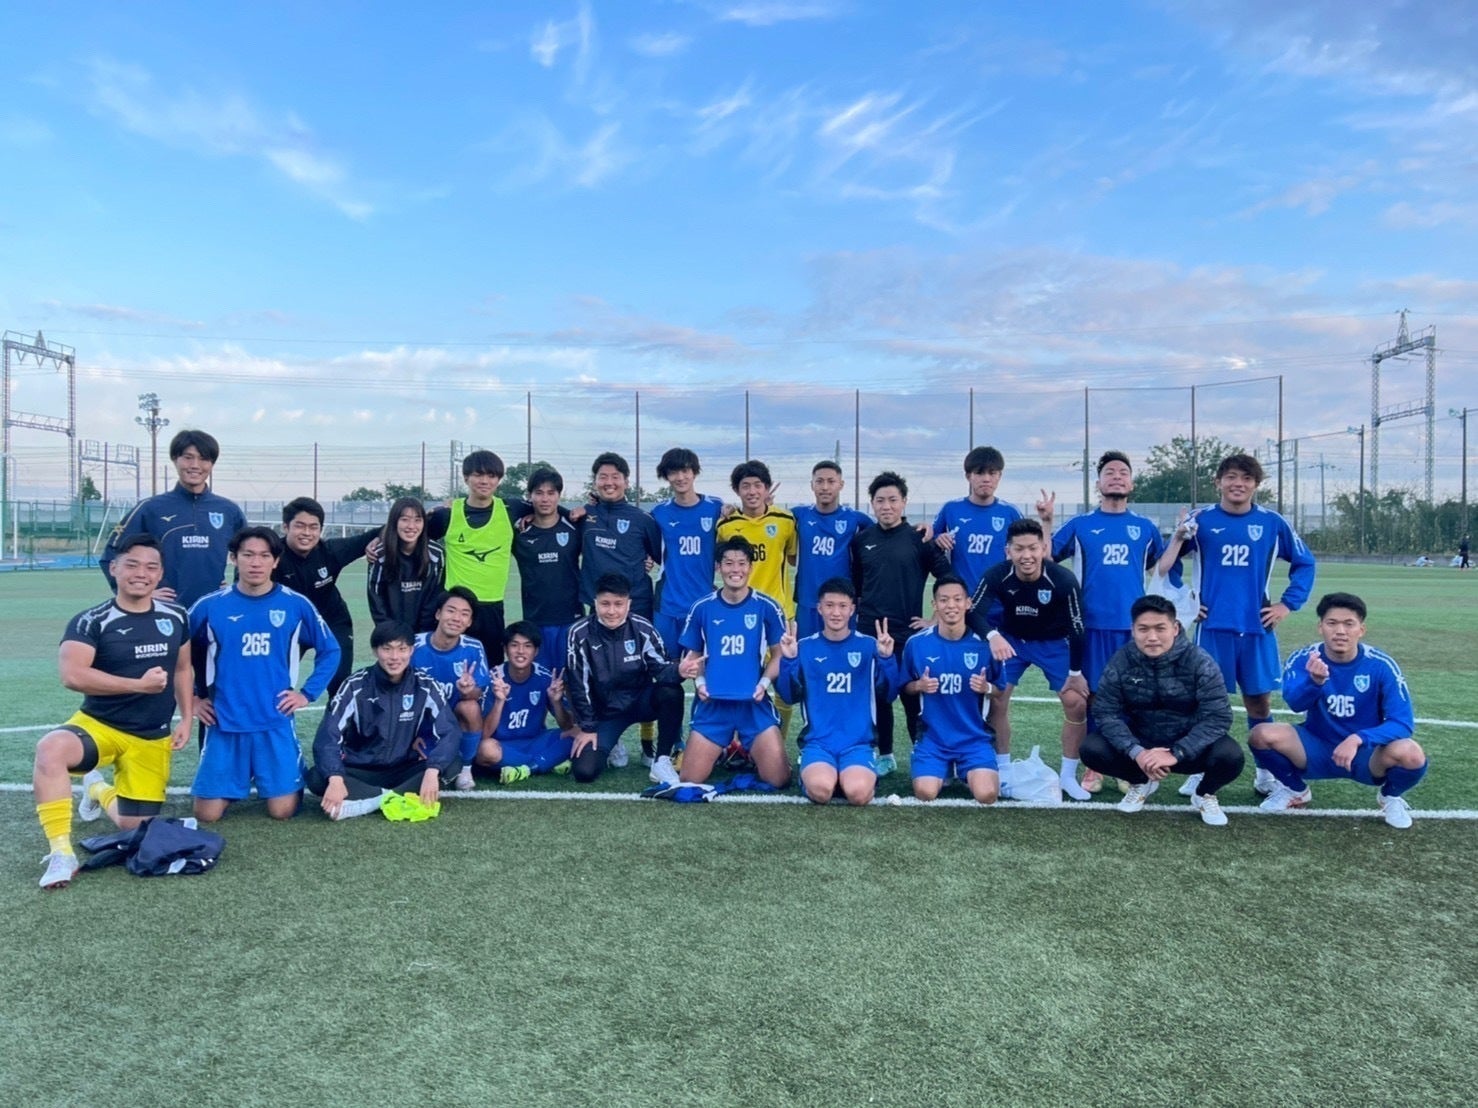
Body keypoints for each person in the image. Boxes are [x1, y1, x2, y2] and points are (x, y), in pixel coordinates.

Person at [32, 536, 192, 889]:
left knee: (135, 827)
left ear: (160, 574)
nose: (141, 573)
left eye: (151, 567)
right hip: (100, 725)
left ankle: (97, 789)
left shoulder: (176, 615)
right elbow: (72, 675)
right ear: (114, 568)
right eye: (132, 565)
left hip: (151, 734)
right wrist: (138, 685)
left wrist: (186, 717)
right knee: (50, 749)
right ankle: (61, 852)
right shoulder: (91, 620)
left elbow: (183, 668)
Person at [1157, 452, 1316, 798]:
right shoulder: (1200, 521)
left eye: (1246, 478)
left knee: (1259, 704)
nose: (1238, 484)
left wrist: (1287, 604)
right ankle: (1200, 769)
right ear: (1218, 482)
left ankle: (1265, 772)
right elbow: (1167, 565)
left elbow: (1305, 563)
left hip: (1256, 629)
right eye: (1230, 477)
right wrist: (1186, 602)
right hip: (1211, 629)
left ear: (1256, 485)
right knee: (1203, 704)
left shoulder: (1272, 523)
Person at [188, 526, 341, 823]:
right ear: (234, 558)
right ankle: (239, 776)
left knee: (282, 812)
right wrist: (193, 699)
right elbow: (176, 654)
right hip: (225, 721)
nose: (256, 563)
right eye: (248, 555)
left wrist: (306, 693)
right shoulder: (209, 606)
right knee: (206, 815)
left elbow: (330, 650)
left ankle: (276, 773)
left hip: (274, 720)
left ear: (276, 561)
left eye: (264, 556)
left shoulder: (295, 604)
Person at [1249, 592, 1427, 829]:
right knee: (1261, 734)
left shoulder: (1381, 665)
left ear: (1361, 630)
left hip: (1366, 754)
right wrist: (1314, 682)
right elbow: (1295, 704)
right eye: (1332, 623)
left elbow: (1402, 723)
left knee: (1411, 753)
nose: (1340, 631)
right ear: (1320, 627)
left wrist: (1358, 739)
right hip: (1316, 746)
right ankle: (1296, 790)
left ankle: (1390, 797)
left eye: (1348, 624)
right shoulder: (1304, 658)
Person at [1045, 450, 1168, 792]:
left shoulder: (1145, 528)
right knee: (1094, 697)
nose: (1116, 476)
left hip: (1134, 629)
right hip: (1091, 627)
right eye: (1109, 472)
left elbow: (1160, 568)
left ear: (1132, 483)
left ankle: (1127, 764)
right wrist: (1046, 522)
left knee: (1133, 696)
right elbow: (1047, 558)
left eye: (1123, 472)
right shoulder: (1081, 525)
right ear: (1098, 483)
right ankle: (1095, 766)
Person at [1084, 595, 1244, 826]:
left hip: (1188, 745)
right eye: (1143, 629)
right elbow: (1105, 711)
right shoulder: (1122, 660)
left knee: (1230, 756)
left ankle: (1204, 794)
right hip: (1142, 743)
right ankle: (1141, 781)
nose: (1152, 637)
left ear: (1175, 628)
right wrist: (1137, 752)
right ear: (1133, 630)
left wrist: (1176, 752)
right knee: (1091, 749)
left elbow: (1219, 717)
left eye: (1160, 628)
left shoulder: (1200, 661)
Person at [968, 518, 1092, 799]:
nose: (1027, 556)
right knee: (997, 698)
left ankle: (1068, 776)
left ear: (1043, 548)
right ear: (1008, 551)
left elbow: (1077, 626)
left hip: (1053, 643)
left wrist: (1075, 672)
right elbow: (974, 612)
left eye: (1033, 548)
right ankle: (1002, 770)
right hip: (1012, 641)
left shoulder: (1062, 579)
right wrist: (992, 636)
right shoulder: (997, 574)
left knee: (1076, 702)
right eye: (1019, 549)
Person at [306, 621, 460, 820]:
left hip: (403, 768)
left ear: (411, 650)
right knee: (317, 778)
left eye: (402, 649)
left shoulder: (425, 685)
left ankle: (372, 801)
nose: (395, 657)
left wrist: (432, 771)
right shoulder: (355, 686)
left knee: (452, 765)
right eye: (387, 649)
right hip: (361, 769)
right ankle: (390, 798)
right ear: (375, 651)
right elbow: (328, 735)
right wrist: (335, 779)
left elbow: (449, 731)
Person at [850, 471, 950, 774]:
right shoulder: (862, 541)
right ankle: (885, 755)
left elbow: (948, 580)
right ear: (872, 504)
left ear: (904, 502)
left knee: (911, 695)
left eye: (893, 500)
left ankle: (921, 754)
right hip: (869, 632)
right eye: (880, 500)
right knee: (878, 696)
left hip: (908, 634)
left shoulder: (920, 538)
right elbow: (857, 587)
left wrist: (933, 619)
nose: (887, 506)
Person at [672, 537, 790, 789]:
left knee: (779, 779)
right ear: (718, 567)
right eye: (728, 563)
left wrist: (764, 683)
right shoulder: (702, 607)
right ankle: (725, 748)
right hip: (714, 705)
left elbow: (779, 655)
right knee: (690, 779)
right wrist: (700, 683)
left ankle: (747, 748)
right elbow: (694, 655)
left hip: (753, 704)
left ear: (750, 567)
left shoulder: (768, 607)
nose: (735, 569)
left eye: (741, 563)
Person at [775, 578, 898, 806]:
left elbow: (889, 694)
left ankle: (852, 777)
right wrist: (789, 660)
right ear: (819, 608)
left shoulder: (870, 646)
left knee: (858, 795)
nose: (836, 612)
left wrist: (886, 659)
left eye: (842, 606)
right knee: (821, 791)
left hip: (858, 744)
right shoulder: (805, 647)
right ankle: (822, 776)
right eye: (829, 605)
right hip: (818, 744)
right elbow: (788, 697)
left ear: (852, 609)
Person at [100, 429, 246, 608]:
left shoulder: (229, 510)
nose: (195, 465)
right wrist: (140, 592)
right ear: (175, 459)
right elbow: (111, 555)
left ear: (211, 464)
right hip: (163, 610)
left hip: (214, 610)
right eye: (188, 457)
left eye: (203, 459)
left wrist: (238, 589)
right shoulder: (150, 508)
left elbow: (251, 553)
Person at [564, 573, 685, 783]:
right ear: (595, 603)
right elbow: (578, 685)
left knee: (671, 692)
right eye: (605, 604)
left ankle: (661, 761)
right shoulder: (579, 633)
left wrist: (680, 671)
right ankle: (613, 744)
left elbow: (662, 670)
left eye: (618, 604)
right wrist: (588, 728)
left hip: (641, 702)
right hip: (607, 713)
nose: (612, 611)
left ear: (628, 604)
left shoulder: (642, 628)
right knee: (584, 772)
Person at [421, 449, 535, 667]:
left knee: (490, 669)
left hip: (492, 607)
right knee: (447, 666)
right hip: (455, 607)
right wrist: (376, 540)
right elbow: (410, 532)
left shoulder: (511, 509)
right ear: (466, 478)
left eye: (491, 476)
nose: (485, 481)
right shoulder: (447, 514)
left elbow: (548, 508)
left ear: (499, 480)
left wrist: (581, 510)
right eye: (478, 475)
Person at [901, 576, 1003, 805]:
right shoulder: (916, 644)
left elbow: (1000, 689)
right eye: (944, 600)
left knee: (987, 795)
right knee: (925, 793)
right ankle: (944, 767)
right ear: (934, 604)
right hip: (934, 739)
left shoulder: (985, 645)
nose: (951, 606)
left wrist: (986, 687)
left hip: (974, 739)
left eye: (957, 599)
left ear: (968, 603)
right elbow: (905, 687)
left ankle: (968, 769)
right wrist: (919, 686)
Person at [273, 496, 379, 699]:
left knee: (339, 682)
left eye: (313, 527)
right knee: (275, 680)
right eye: (300, 526)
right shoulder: (272, 556)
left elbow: (376, 534)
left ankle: (337, 720)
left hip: (332, 622)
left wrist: (376, 541)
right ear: (286, 527)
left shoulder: (330, 552)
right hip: (289, 626)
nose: (307, 533)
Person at [411, 586, 491, 791]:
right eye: (451, 610)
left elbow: (479, 692)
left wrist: (468, 691)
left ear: (469, 622)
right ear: (438, 614)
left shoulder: (474, 647)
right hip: (422, 721)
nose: (457, 618)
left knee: (470, 706)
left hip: (454, 721)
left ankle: (465, 768)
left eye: (464, 614)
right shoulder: (414, 646)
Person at [650, 447, 724, 657]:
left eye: (685, 471)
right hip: (668, 605)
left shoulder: (716, 507)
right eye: (673, 472)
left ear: (694, 472)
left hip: (703, 603)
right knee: (666, 670)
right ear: (666, 476)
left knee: (702, 668)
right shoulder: (659, 513)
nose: (680, 477)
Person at [478, 622, 574, 783]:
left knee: (577, 734)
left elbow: (567, 726)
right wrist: (499, 701)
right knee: (485, 750)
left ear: (536, 651)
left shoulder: (545, 677)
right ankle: (546, 762)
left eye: (527, 646)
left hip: (536, 741)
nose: (521, 651)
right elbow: (484, 734)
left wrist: (556, 702)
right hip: (502, 745)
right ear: (505, 649)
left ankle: (526, 768)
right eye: (514, 645)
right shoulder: (493, 678)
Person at [510, 467, 583, 673]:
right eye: (539, 493)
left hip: (571, 619)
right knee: (540, 681)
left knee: (570, 680)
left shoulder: (576, 526)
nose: (545, 499)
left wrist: (646, 558)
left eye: (551, 493)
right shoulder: (519, 533)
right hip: (535, 621)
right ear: (530, 496)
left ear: (559, 495)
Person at [578, 452, 664, 620]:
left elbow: (664, 559)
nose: (609, 482)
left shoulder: (643, 519)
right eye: (603, 477)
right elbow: (551, 516)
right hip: (600, 605)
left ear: (626, 482)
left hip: (637, 605)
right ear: (595, 482)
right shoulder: (583, 515)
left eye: (615, 477)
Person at [792, 460, 871, 639]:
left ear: (841, 484)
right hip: (808, 602)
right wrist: (732, 510)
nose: (825, 487)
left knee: (842, 650)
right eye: (819, 481)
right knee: (805, 650)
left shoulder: (856, 519)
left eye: (831, 481)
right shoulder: (799, 515)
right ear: (812, 485)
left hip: (841, 604)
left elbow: (889, 529)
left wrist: (921, 528)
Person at [931, 446, 1021, 596]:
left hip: (999, 600)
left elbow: (1029, 546)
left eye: (992, 473)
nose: (986, 479)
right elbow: (930, 540)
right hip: (960, 601)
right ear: (968, 476)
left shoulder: (1011, 512)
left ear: (999, 476)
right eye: (979, 473)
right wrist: (938, 538)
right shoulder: (951, 509)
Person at [366, 497, 445, 634]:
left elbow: (434, 597)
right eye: (405, 519)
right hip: (392, 634)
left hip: (426, 632)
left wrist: (424, 634)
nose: (411, 526)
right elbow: (376, 600)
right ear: (394, 522)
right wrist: (391, 633)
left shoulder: (436, 554)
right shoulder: (379, 555)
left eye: (417, 520)